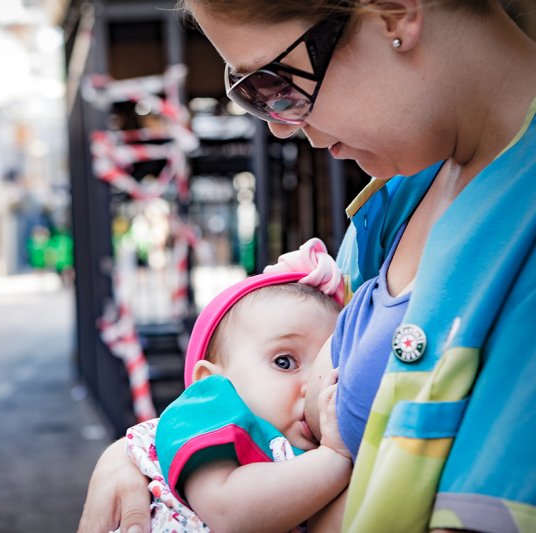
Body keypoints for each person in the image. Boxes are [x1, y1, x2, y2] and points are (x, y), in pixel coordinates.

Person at [79, 1, 536, 531]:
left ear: (395, 13)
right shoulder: (404, 190)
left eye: (275, 84)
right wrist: (151, 456)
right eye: (248, 92)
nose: (278, 127)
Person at [122, 239, 348, 532]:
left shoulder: (321, 441)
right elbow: (229, 514)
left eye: (326, 365)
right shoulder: (207, 416)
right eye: (284, 362)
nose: (312, 384)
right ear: (210, 381)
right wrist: (334, 458)